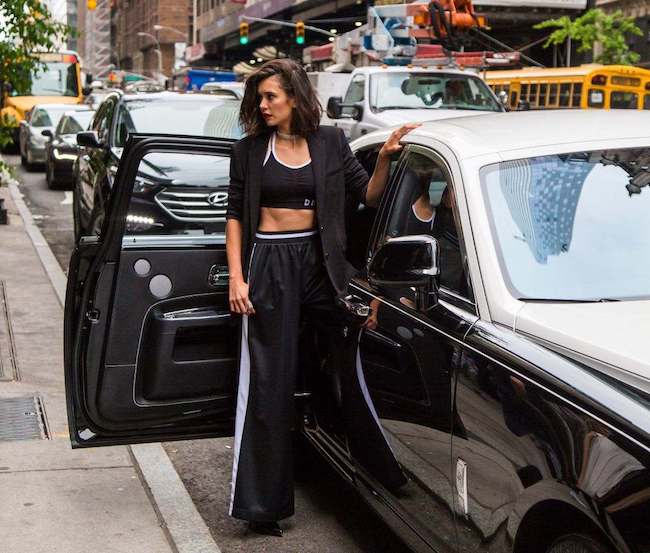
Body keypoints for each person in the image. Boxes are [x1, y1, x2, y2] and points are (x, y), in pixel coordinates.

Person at [225, 58, 420, 537]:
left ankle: (382, 466)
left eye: (270, 96)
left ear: (294, 95)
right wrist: (237, 277)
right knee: (268, 380)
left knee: (356, 352)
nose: (263, 105)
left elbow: (369, 198)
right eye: (259, 98)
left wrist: (385, 158)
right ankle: (261, 505)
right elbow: (233, 216)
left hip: (322, 268)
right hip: (268, 265)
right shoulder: (250, 150)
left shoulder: (331, 142)